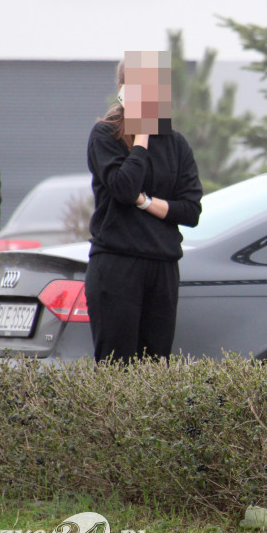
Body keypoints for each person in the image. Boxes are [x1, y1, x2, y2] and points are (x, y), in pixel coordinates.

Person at [85, 52, 202, 363]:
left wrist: (146, 202)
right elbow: (124, 188)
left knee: (154, 369)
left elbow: (190, 211)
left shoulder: (176, 144)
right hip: (117, 264)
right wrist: (142, 136)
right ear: (124, 91)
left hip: (162, 267)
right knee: (117, 366)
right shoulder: (105, 135)